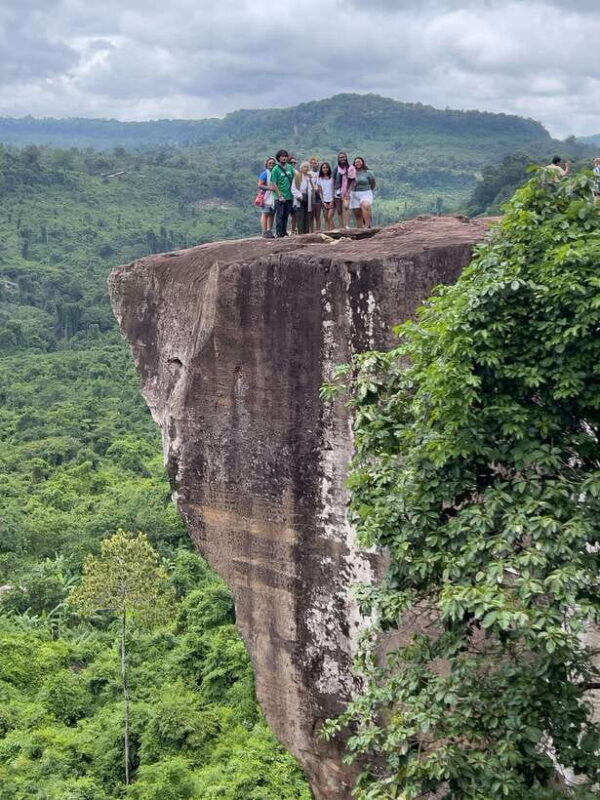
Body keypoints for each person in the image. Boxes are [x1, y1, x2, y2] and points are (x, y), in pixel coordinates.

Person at [270, 150, 295, 238]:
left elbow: (295, 178)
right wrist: (279, 195)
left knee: (286, 215)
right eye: (282, 156)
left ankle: (284, 231)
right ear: (278, 158)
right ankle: (279, 232)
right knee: (279, 215)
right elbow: (274, 183)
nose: (284, 158)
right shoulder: (275, 169)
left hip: (289, 196)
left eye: (285, 156)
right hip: (279, 197)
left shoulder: (290, 167)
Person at [350, 157, 376, 228]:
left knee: (365, 205)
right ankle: (359, 231)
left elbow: (373, 183)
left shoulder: (368, 172)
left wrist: (369, 190)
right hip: (354, 194)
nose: (357, 163)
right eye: (356, 162)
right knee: (358, 214)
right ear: (354, 164)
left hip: (366, 193)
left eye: (359, 161)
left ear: (362, 162)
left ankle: (368, 226)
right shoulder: (352, 172)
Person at [292, 161, 315, 235]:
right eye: (304, 167)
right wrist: (300, 196)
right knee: (300, 217)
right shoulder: (297, 176)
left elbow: (312, 187)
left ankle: (306, 233)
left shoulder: (309, 177)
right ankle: (301, 234)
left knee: (307, 216)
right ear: (301, 168)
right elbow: (293, 188)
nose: (306, 168)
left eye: (307, 167)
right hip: (300, 198)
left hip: (308, 198)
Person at [332, 152, 355, 228]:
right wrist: (333, 193)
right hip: (337, 190)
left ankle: (347, 225)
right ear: (338, 159)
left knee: (346, 207)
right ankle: (341, 226)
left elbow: (352, 181)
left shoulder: (350, 168)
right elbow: (333, 180)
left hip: (347, 190)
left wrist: (348, 191)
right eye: (340, 157)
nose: (342, 159)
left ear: (346, 158)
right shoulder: (336, 168)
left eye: (344, 157)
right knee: (339, 210)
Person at [257, 157, 276, 238]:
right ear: (267, 165)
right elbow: (260, 185)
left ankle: (269, 230)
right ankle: (264, 231)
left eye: (273, 163)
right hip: (266, 196)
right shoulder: (264, 173)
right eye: (270, 163)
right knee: (265, 213)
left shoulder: (276, 173)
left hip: (274, 196)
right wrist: (269, 188)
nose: (271, 165)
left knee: (272, 214)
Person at [317, 162, 335, 231]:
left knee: (330, 216)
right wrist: (323, 202)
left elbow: (334, 190)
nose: (325, 169)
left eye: (326, 168)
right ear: (321, 169)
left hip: (332, 200)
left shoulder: (332, 178)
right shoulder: (319, 179)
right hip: (324, 200)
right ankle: (329, 232)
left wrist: (332, 201)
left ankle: (334, 232)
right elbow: (320, 192)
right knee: (326, 218)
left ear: (329, 169)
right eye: (323, 168)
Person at [309, 156, 321, 231]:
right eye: (312, 163)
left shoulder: (321, 173)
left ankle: (318, 230)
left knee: (318, 215)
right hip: (311, 195)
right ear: (310, 165)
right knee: (311, 215)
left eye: (315, 163)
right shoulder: (308, 173)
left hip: (319, 195)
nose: (314, 165)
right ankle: (311, 231)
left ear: (318, 164)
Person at [289, 156, 299, 234]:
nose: (292, 164)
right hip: (286, 195)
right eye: (291, 162)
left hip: (294, 196)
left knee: (294, 214)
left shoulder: (296, 172)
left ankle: (293, 230)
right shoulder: (285, 170)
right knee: (284, 215)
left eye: (294, 163)